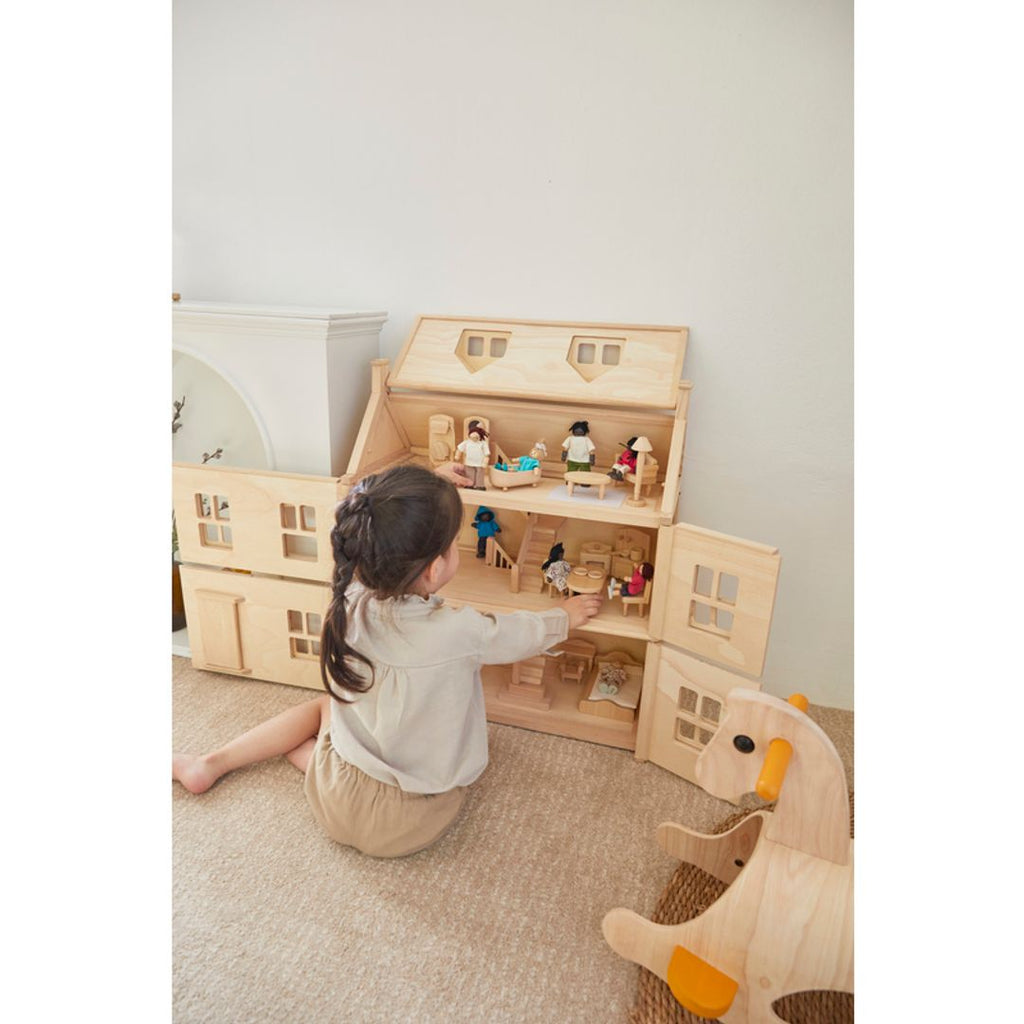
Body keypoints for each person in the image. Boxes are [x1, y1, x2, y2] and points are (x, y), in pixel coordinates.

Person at [173, 463, 603, 858]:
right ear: (434, 569)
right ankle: (311, 761)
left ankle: (211, 763)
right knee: (420, 753)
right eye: (454, 544)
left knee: (324, 708)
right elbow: (519, 636)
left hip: (332, 801)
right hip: (411, 821)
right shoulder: (462, 631)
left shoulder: (350, 594)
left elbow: (354, 514)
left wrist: (417, 492)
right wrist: (563, 617)